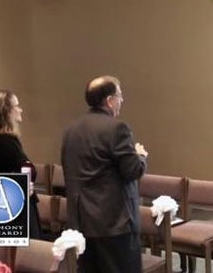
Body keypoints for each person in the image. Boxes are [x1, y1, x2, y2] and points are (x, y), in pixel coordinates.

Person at [61, 75, 148, 273]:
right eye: (120, 96)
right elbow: (132, 170)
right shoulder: (116, 128)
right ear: (109, 100)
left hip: (82, 222)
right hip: (114, 223)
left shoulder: (71, 130)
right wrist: (140, 156)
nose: (122, 101)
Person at [0, 89, 42, 239]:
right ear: (6, 111)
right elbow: (19, 171)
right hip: (14, 205)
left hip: (12, 202)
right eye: (17, 106)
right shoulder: (2, 142)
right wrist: (24, 182)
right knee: (25, 256)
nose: (21, 110)